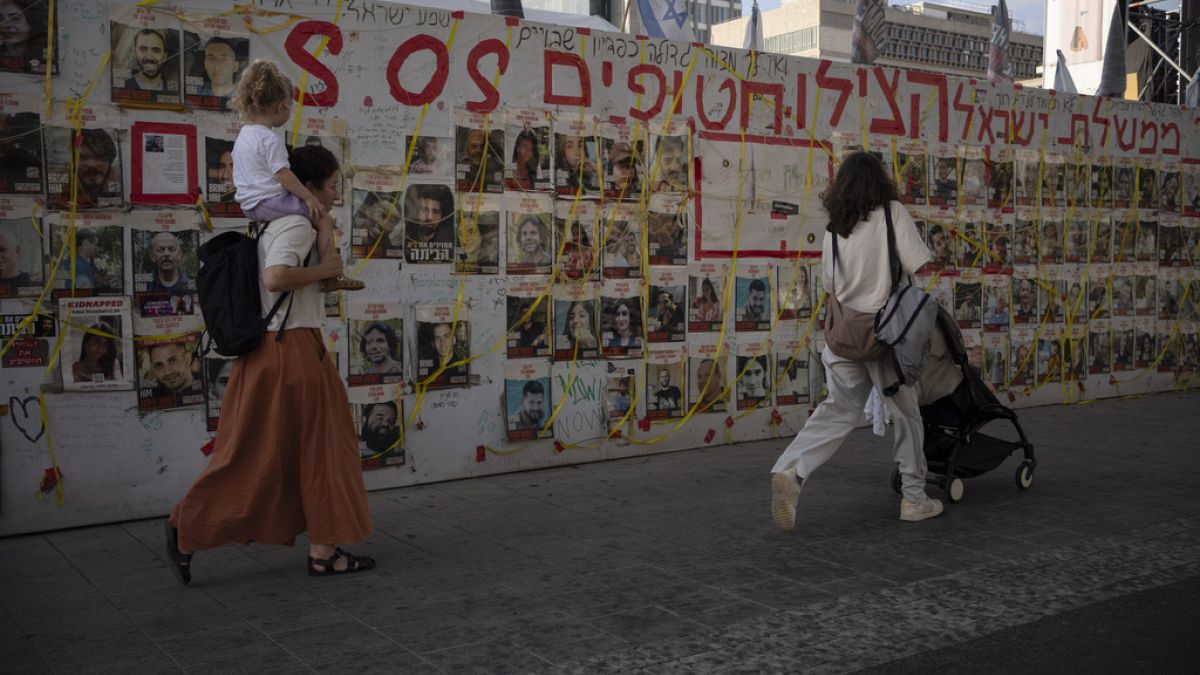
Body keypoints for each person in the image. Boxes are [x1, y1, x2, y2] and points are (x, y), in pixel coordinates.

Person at [167, 144, 374, 584]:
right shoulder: (294, 225)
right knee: (292, 453)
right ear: (312, 187)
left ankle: (324, 550)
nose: (337, 194)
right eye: (333, 187)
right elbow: (276, 278)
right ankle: (187, 526)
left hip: (277, 350)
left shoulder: (279, 224)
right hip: (292, 350)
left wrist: (325, 234)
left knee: (278, 452)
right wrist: (324, 265)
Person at [770, 151, 944, 531]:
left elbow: (831, 285)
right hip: (885, 338)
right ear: (880, 181)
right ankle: (914, 499)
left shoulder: (835, 227)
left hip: (843, 336)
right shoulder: (893, 213)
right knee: (907, 417)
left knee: (839, 409)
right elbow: (920, 265)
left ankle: (791, 470)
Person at [231, 60, 362, 292]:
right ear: (281, 106)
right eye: (290, 107)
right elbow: (283, 175)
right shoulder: (270, 139)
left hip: (250, 205)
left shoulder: (244, 136)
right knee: (323, 219)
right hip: (268, 201)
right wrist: (308, 198)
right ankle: (333, 274)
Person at [0, 0, 48, 72]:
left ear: (31, 22)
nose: (5, 25)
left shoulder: (44, 57)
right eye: (0, 19)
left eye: (14, 18)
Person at [404, 185, 454, 250]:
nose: (430, 217)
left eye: (435, 212)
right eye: (424, 209)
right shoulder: (405, 234)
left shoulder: (447, 239)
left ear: (442, 216)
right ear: (417, 211)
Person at [195, 37, 242, 102]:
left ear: (235, 67)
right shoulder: (195, 91)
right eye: (211, 59)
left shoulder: (243, 96)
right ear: (205, 64)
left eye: (224, 60)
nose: (217, 66)